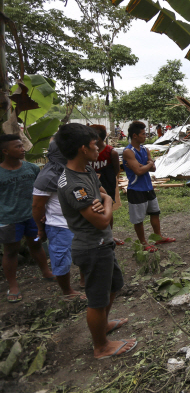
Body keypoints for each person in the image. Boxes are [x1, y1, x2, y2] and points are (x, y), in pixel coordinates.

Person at [55, 124, 136, 359]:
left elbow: (100, 191)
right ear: (82, 148)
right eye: (93, 144)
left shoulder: (86, 170)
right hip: (92, 247)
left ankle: (103, 325)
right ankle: (101, 346)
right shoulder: (73, 184)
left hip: (103, 243)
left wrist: (103, 198)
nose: (98, 147)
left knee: (112, 287)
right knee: (97, 299)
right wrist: (108, 201)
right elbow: (101, 220)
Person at [0, 135, 55, 303]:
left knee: (36, 244)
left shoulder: (31, 169)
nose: (23, 148)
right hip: (9, 219)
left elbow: (40, 193)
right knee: (10, 252)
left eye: (22, 145)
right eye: (17, 147)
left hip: (32, 217)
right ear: (5, 151)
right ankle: (13, 284)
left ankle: (46, 271)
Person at [32, 141, 87, 298]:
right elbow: (37, 206)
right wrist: (41, 228)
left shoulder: (76, 169)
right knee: (61, 259)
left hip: (81, 220)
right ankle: (67, 291)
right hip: (59, 225)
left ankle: (84, 281)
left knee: (86, 252)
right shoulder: (48, 176)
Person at [122, 121, 175, 252]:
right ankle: (143, 242)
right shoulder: (128, 152)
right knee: (138, 219)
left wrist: (143, 166)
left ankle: (158, 237)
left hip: (148, 187)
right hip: (136, 189)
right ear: (135, 135)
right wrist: (146, 165)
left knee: (155, 213)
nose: (145, 136)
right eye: (143, 134)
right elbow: (139, 172)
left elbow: (153, 168)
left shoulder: (145, 149)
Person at [89, 125, 124, 246]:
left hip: (107, 185)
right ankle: (97, 236)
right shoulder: (87, 152)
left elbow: (116, 170)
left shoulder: (111, 152)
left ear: (98, 138)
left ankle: (109, 235)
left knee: (108, 210)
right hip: (90, 187)